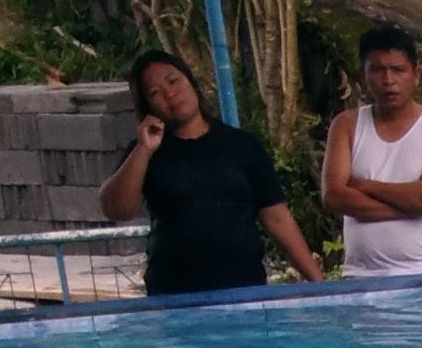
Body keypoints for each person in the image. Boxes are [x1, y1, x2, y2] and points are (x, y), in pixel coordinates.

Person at [100, 51, 322, 296]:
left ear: (191, 83)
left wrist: (319, 283)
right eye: (155, 92)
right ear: (147, 106)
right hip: (173, 295)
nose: (169, 94)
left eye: (173, 81)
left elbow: (277, 217)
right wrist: (144, 149)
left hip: (244, 290)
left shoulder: (242, 145)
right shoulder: (146, 152)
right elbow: (116, 209)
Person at [321, 25, 422, 278]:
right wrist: (411, 204)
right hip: (361, 277)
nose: (388, 81)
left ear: (416, 74)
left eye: (398, 70)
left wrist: (363, 185)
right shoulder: (347, 125)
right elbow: (334, 196)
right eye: (377, 70)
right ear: (364, 75)